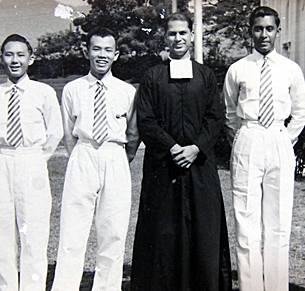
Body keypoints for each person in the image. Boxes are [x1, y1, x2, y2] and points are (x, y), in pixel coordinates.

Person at [130, 12, 232, 291]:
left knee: (202, 230)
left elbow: (215, 117)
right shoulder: (152, 76)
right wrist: (173, 147)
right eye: (172, 33)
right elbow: (146, 120)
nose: (178, 38)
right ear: (165, 37)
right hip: (164, 167)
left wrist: (196, 147)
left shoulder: (206, 75)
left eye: (183, 33)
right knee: (164, 231)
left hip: (199, 167)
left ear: (192, 35)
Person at [223, 6, 305, 291]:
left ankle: (275, 286)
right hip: (249, 137)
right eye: (258, 28)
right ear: (251, 31)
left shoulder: (290, 69)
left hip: (279, 139)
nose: (263, 34)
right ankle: (250, 286)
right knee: (246, 220)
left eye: (269, 29)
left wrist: (285, 138)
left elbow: (300, 112)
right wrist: (245, 136)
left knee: (279, 221)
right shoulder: (238, 69)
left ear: (277, 31)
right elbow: (229, 112)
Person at [51, 27, 139, 291]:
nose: (102, 55)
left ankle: (107, 287)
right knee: (73, 230)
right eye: (96, 49)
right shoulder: (72, 89)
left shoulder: (126, 91)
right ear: (86, 52)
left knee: (113, 231)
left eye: (108, 50)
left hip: (114, 156)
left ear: (116, 55)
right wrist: (81, 156)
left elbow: (133, 134)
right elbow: (68, 133)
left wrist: (118, 159)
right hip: (84, 154)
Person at [0, 34, 63, 291]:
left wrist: (37, 158)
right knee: (1, 229)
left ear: (31, 58)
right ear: (1, 58)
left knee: (34, 232)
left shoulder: (43, 92)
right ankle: (5, 287)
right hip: (3, 161)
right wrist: (8, 154)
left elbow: (55, 132)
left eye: (20, 54)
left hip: (33, 161)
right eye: (9, 54)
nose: (14, 60)